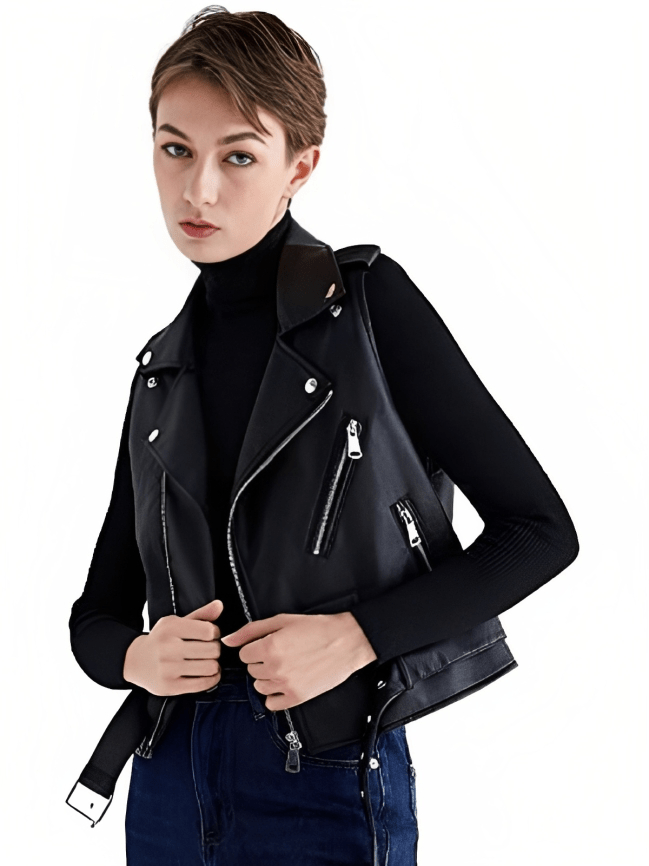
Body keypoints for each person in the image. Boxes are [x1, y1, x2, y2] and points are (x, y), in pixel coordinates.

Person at [67, 7, 579, 865]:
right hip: (164, 784)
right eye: (175, 149)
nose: (198, 190)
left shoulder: (367, 309)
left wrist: (355, 637)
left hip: (324, 774)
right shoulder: (161, 369)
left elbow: (539, 532)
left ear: (298, 166)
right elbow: (96, 615)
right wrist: (137, 657)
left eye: (237, 156)